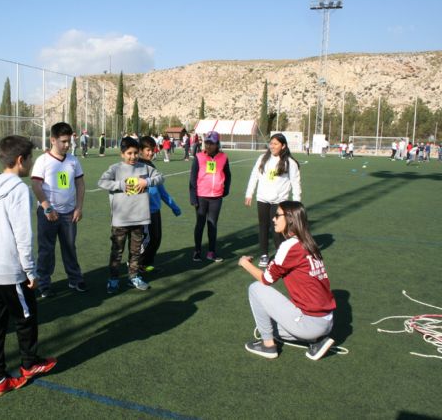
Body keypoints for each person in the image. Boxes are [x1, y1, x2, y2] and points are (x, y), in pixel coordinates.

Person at [0, 135, 57, 397]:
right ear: (21, 160)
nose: (31, 163)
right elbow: (23, 235)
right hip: (8, 270)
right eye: (30, 158)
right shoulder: (19, 190)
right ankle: (29, 364)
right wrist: (31, 272)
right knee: (26, 316)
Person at [238, 201, 336, 361]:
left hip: (311, 323)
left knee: (256, 289)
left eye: (277, 215)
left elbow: (266, 279)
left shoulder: (289, 246)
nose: (273, 219)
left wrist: (245, 264)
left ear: (290, 219)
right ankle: (316, 341)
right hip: (327, 322)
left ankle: (268, 346)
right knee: (270, 323)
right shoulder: (309, 242)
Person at [98, 136, 164, 294]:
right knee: (117, 252)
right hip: (120, 220)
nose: (133, 156)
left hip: (139, 218)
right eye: (129, 153)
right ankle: (113, 279)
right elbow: (102, 182)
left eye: (135, 153)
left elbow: (160, 177)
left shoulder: (144, 168)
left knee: (135, 252)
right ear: (122, 154)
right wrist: (120, 185)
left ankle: (133, 277)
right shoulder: (115, 168)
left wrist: (146, 182)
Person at [31, 122, 86, 298]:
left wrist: (78, 207)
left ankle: (75, 279)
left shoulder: (73, 160)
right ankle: (44, 284)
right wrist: (47, 208)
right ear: (52, 140)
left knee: (70, 247)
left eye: (69, 141)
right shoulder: (43, 161)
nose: (67, 145)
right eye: (63, 141)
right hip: (48, 214)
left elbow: (80, 183)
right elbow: (36, 185)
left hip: (69, 213)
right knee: (46, 249)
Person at [245, 133, 301, 267]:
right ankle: (264, 255)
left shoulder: (290, 163)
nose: (272, 146)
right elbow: (254, 176)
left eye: (276, 144)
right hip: (262, 199)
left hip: (279, 201)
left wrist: (296, 202)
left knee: (277, 230)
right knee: (263, 227)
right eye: (271, 143)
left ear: (283, 146)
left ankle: (280, 255)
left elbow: (296, 183)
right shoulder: (263, 159)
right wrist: (249, 193)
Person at [138, 136, 181, 273]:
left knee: (157, 238)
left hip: (155, 210)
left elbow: (161, 190)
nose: (151, 153)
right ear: (140, 151)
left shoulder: (152, 166)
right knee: (146, 240)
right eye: (147, 150)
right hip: (144, 211)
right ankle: (136, 264)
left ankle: (146, 263)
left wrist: (173, 206)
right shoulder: (137, 167)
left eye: (152, 150)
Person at [189, 131, 231, 262]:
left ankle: (211, 252)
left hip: (216, 197)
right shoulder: (199, 157)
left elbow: (228, 175)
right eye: (206, 142)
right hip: (201, 196)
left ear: (217, 144)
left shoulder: (223, 157)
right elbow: (193, 178)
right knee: (200, 224)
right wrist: (193, 197)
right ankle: (197, 251)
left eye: (211, 143)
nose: (208, 146)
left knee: (212, 224)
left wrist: (225, 190)